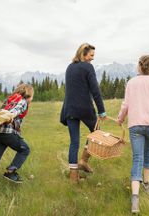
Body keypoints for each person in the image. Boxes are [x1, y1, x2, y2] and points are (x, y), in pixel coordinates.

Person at [117, 55, 149, 214]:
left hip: (135, 125)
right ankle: (146, 184)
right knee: (148, 153)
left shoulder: (131, 82)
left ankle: (135, 198)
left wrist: (120, 119)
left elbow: (126, 104)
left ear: (140, 66)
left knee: (137, 157)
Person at [60, 43, 106, 183]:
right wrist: (101, 110)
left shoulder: (70, 67)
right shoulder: (87, 67)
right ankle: (84, 161)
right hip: (84, 108)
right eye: (91, 55)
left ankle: (73, 177)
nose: (92, 58)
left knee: (74, 142)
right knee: (96, 131)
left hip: (70, 109)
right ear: (83, 54)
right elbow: (95, 90)